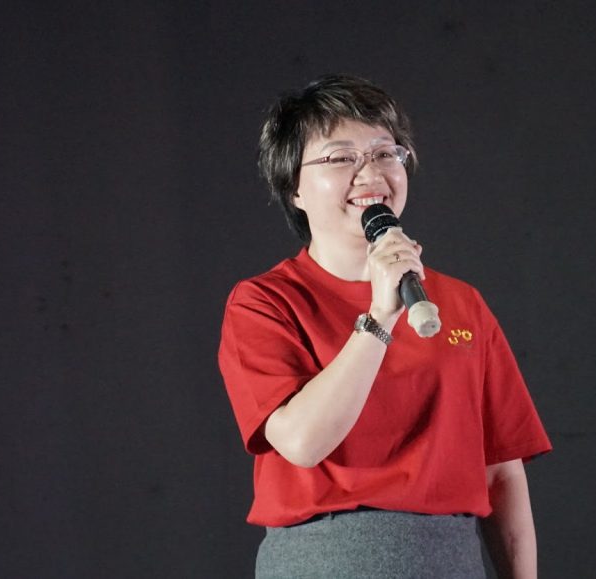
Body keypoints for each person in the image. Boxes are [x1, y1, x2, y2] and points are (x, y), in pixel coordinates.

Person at [218, 74, 551, 579]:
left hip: (451, 560)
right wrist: (379, 316)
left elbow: (500, 470)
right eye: (340, 158)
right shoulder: (265, 302)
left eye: (385, 153)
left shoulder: (461, 303)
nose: (370, 172)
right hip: (327, 561)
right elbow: (303, 441)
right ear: (293, 188)